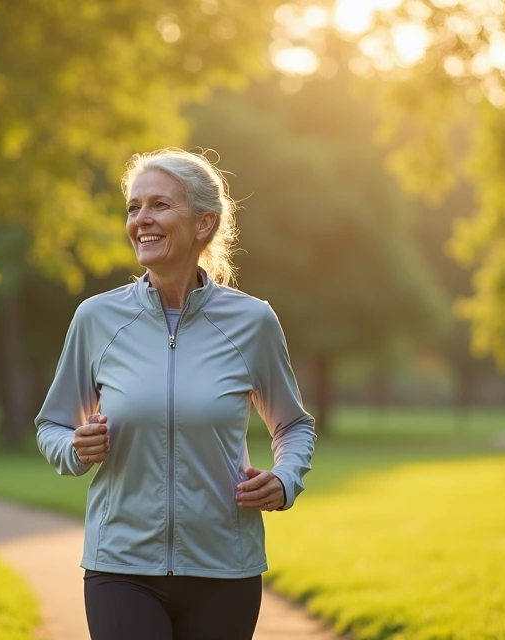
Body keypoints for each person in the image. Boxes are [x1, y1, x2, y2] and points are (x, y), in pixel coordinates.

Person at [35, 148, 316, 640]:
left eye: (159, 205)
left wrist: (285, 479)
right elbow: (51, 425)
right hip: (120, 567)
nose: (141, 219)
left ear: (204, 223)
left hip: (225, 569)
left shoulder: (251, 322)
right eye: (133, 207)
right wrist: (74, 449)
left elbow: (293, 425)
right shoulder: (97, 319)